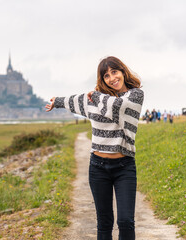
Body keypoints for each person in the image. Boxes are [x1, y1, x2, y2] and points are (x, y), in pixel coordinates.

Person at [45, 56, 144, 240]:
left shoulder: (135, 95)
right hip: (98, 168)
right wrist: (56, 101)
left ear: (123, 71)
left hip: (124, 167)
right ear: (102, 79)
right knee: (104, 222)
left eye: (115, 72)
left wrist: (96, 95)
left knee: (125, 221)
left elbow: (117, 107)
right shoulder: (93, 99)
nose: (112, 78)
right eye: (106, 75)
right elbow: (76, 101)